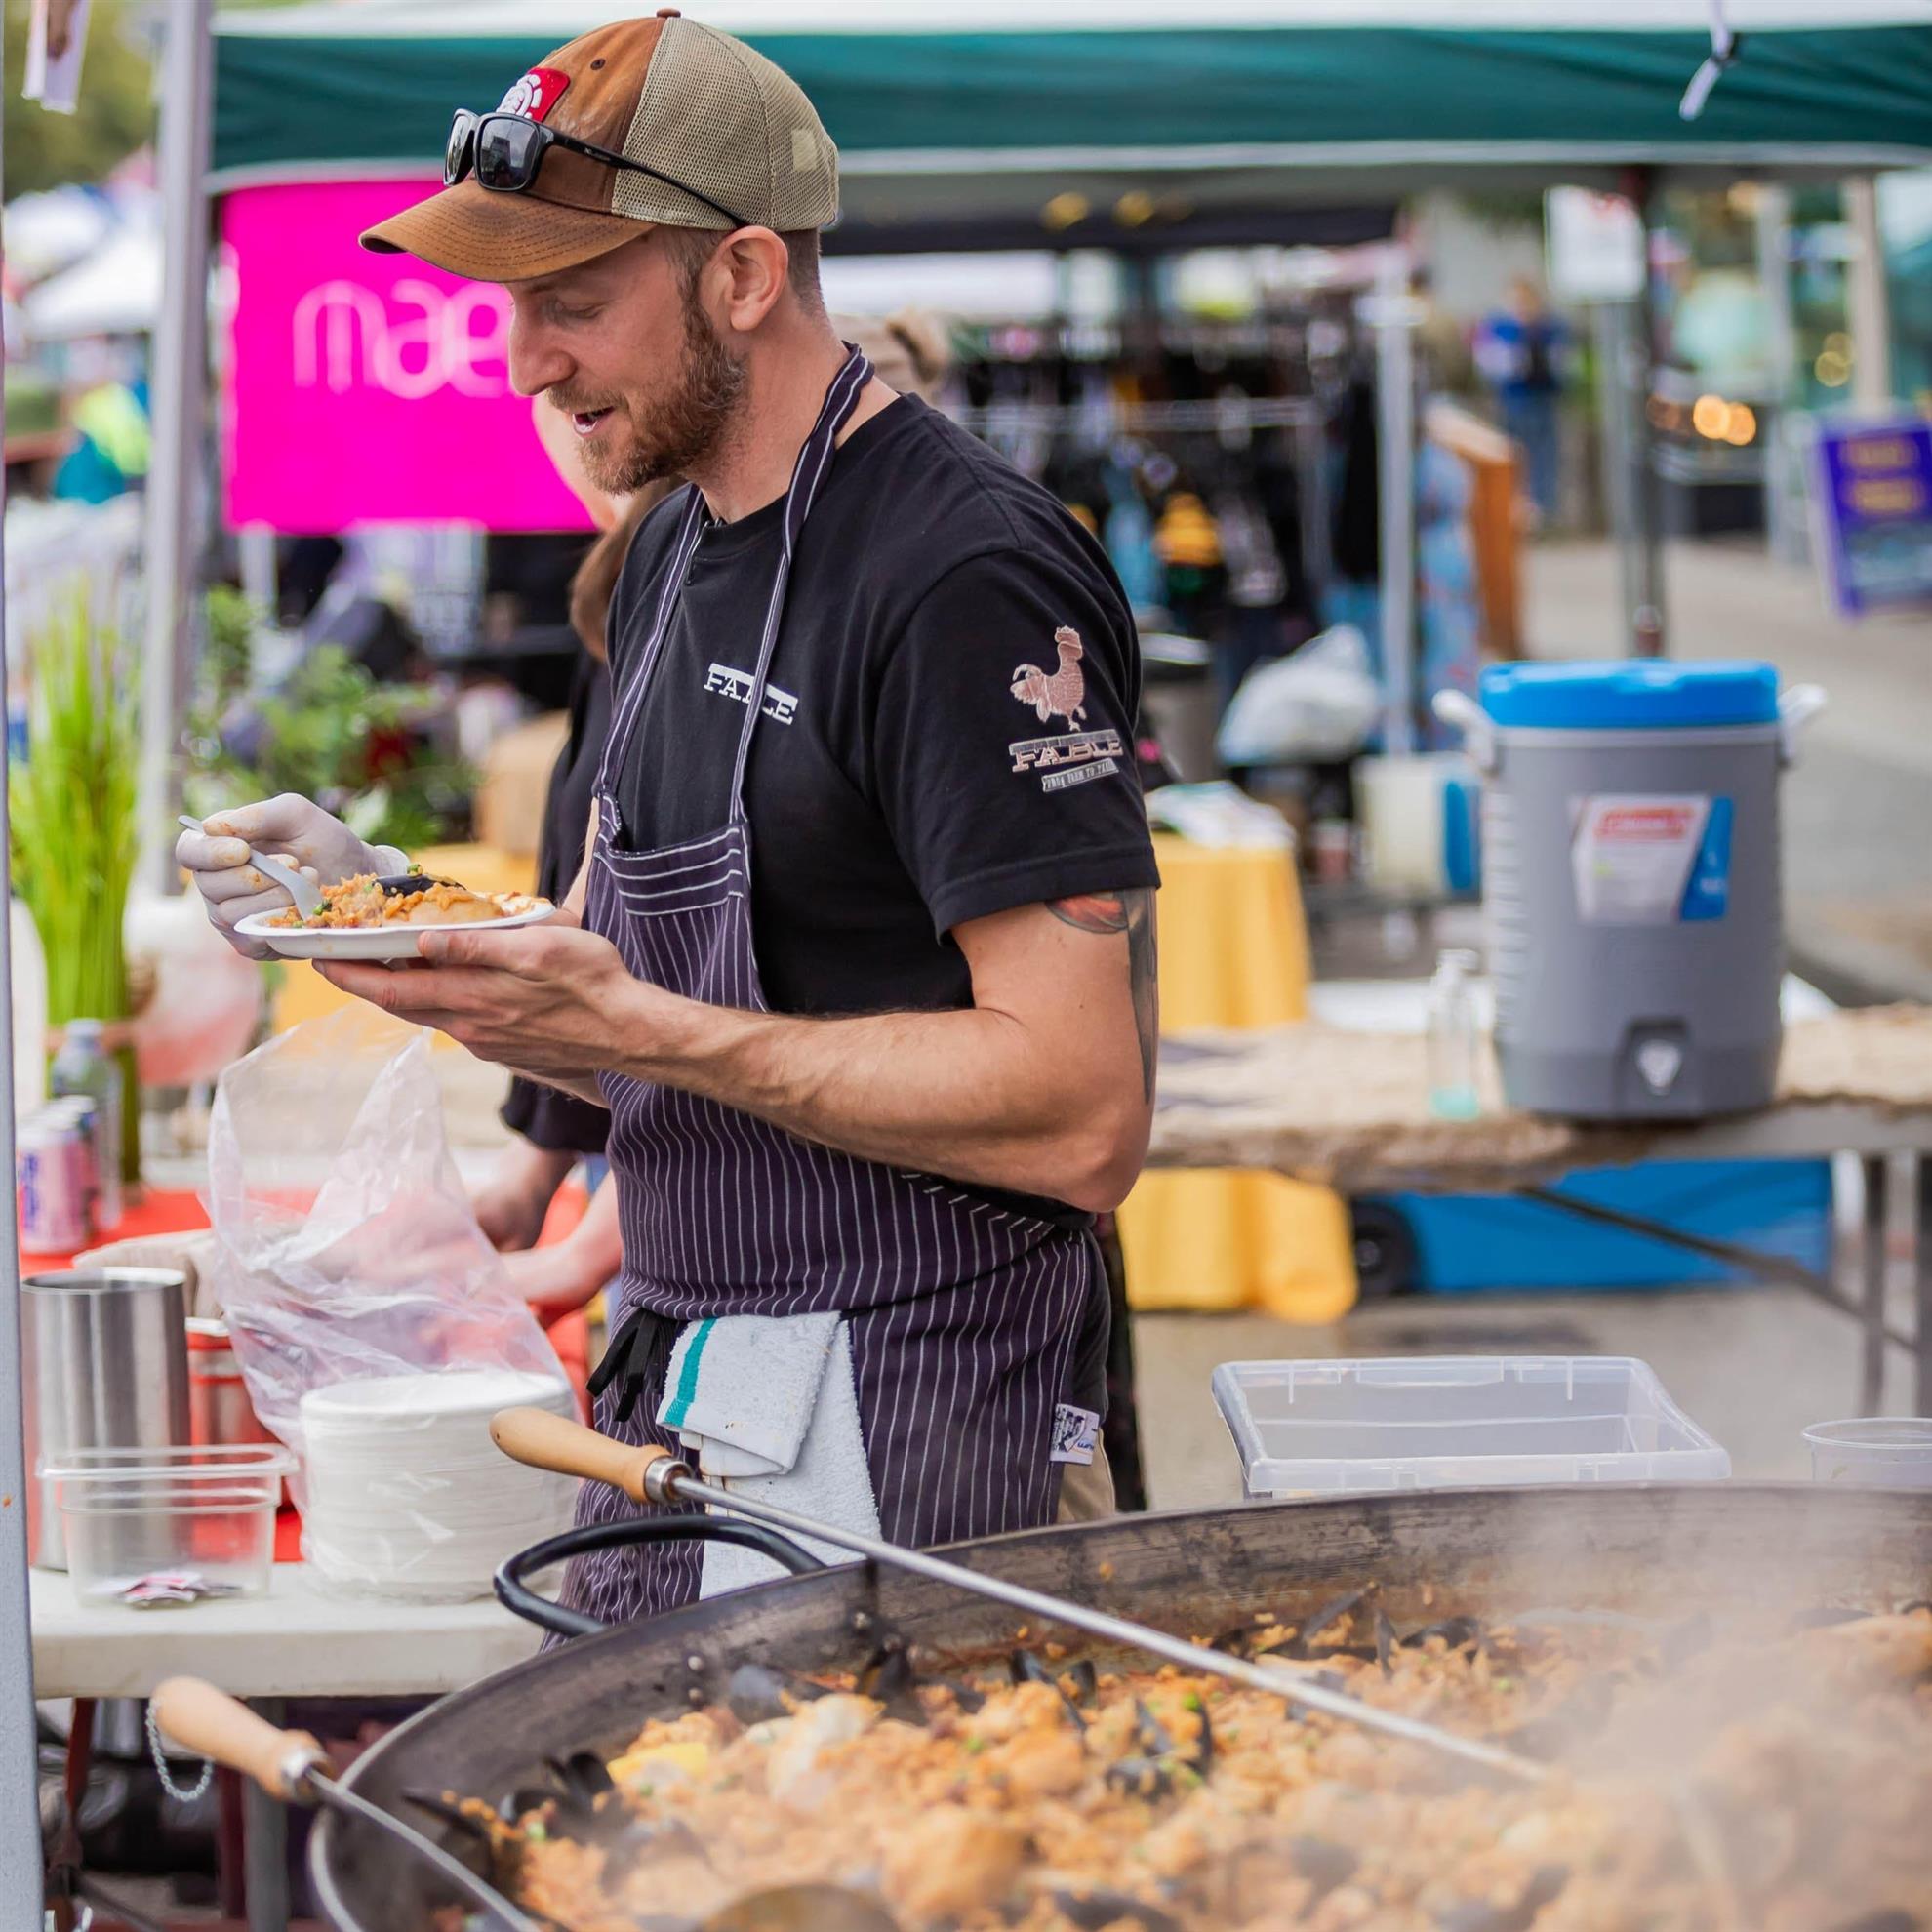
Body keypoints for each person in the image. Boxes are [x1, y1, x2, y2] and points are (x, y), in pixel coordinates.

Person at [178, 14, 1159, 1627]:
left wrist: (646, 1024)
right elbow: (624, 1017)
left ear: (745, 274)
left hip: (922, 1410)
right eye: (511, 304)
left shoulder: (962, 571)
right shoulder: (663, 557)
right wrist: (384, 920)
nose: (525, 360)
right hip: (687, 1391)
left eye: (574, 299)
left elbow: (1080, 1109)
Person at [1475, 275, 1570, 529]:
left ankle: (1541, 510)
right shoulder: (1500, 328)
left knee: (1542, 458)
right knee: (1514, 456)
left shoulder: (1549, 328)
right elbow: (1490, 365)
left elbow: (1562, 365)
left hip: (1541, 401)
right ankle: (1516, 507)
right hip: (1512, 402)